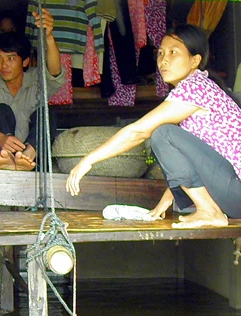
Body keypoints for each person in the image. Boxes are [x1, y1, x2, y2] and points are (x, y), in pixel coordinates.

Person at [66, 24, 241, 229]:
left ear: (195, 60)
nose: (164, 60)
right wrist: (165, 201)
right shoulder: (198, 88)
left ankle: (209, 211)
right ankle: (207, 209)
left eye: (173, 52)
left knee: (163, 133)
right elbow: (195, 161)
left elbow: (137, 132)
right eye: (160, 53)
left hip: (235, 191)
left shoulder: (194, 88)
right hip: (232, 192)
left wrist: (89, 160)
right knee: (167, 135)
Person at [0, 8, 65, 171]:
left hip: (33, 160)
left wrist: (48, 37)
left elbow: (55, 72)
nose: (4, 65)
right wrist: (1, 139)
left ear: (25, 61)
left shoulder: (37, 79)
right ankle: (8, 158)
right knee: (1, 110)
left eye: (11, 58)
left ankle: (28, 155)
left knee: (46, 112)